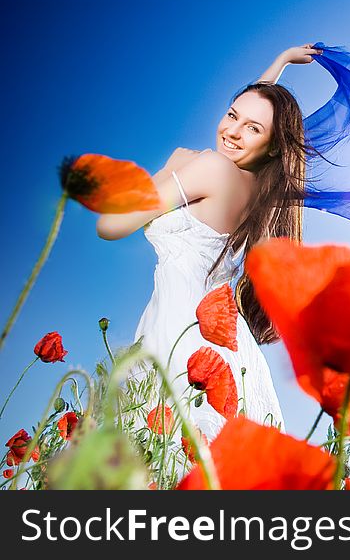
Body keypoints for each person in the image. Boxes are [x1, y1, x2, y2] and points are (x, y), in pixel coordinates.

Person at [95, 43, 323, 441]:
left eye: (252, 128)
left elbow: (111, 223)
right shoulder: (263, 198)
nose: (232, 130)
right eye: (232, 115)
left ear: (270, 145)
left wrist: (169, 167)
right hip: (226, 350)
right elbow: (248, 129)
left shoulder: (211, 169)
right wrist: (279, 65)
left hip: (179, 336)